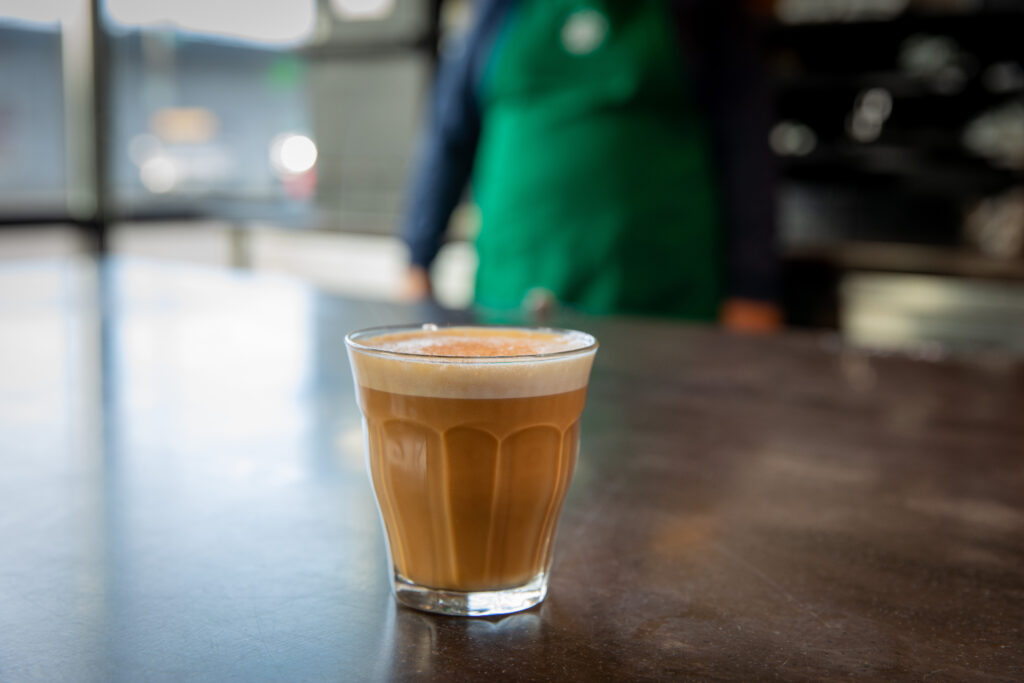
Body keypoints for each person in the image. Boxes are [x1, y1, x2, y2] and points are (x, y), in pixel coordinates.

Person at [400, 0, 782, 331]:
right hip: (514, 285)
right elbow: (448, 136)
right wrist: (418, 258)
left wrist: (754, 286)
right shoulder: (498, 9)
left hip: (661, 296)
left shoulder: (701, 11)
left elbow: (746, 143)